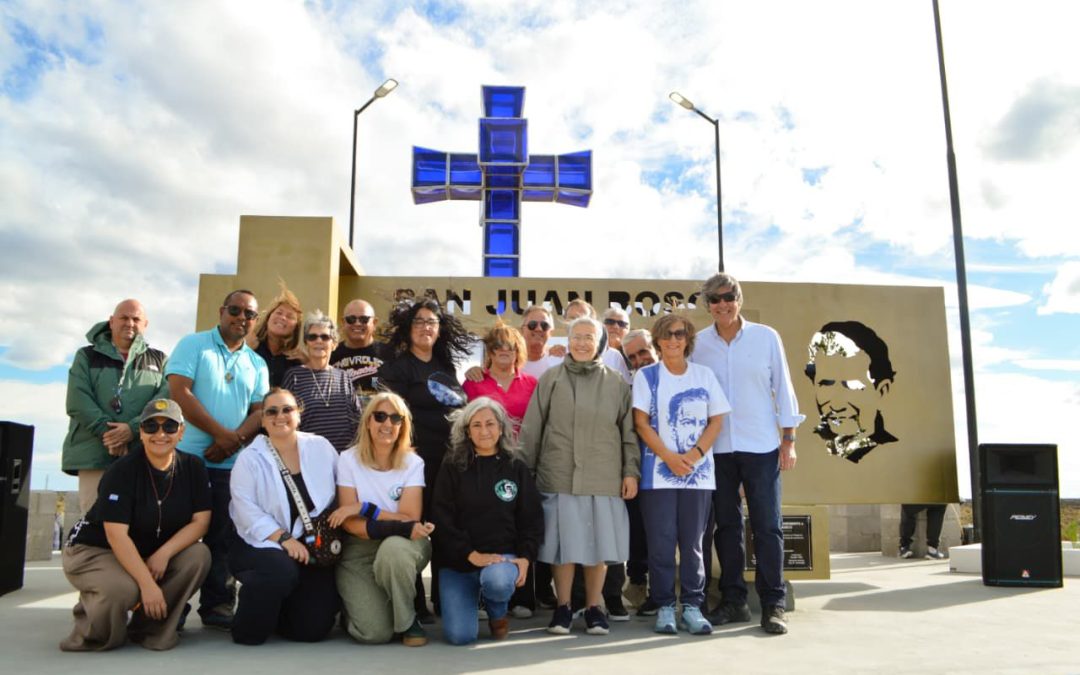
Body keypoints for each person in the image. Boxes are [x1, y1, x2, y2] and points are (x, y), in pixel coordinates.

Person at [690, 273, 804, 635]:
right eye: (715, 299)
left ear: (738, 298)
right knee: (726, 527)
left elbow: (782, 387)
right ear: (707, 305)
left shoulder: (766, 337)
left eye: (729, 297)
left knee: (768, 526)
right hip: (717, 449)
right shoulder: (698, 344)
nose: (723, 305)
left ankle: (773, 603)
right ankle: (734, 600)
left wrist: (789, 437)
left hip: (762, 445)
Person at [520, 316, 640, 636]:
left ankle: (594, 607)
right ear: (569, 341)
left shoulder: (616, 382)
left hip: (603, 476)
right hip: (557, 474)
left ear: (599, 342)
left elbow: (628, 432)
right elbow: (533, 428)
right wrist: (526, 473)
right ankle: (563, 608)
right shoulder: (551, 378)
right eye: (577, 337)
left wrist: (630, 471)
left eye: (590, 337)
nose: (583, 342)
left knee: (598, 547)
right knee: (562, 546)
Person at [61, 398, 211, 651]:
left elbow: (200, 522)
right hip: (95, 550)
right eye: (151, 427)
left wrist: (163, 554)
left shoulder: (193, 467)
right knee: (123, 590)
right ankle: (93, 622)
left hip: (148, 551)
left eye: (170, 427)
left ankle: (150, 628)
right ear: (140, 432)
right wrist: (147, 585)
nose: (160, 434)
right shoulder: (122, 471)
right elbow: (115, 534)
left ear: (181, 432)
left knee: (198, 555)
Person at [166, 289, 270, 630]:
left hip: (230, 465)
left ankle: (218, 606)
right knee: (177, 534)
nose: (242, 318)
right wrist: (220, 435)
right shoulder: (193, 345)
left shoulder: (257, 363)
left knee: (222, 539)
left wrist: (233, 440)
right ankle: (170, 609)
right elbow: (179, 392)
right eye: (236, 310)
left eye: (250, 314)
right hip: (185, 460)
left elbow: (260, 412)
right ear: (222, 310)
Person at [632, 314, 730, 635]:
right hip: (657, 475)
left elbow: (716, 420)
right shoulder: (647, 376)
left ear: (688, 339)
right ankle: (663, 606)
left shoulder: (704, 375)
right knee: (660, 544)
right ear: (658, 340)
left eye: (679, 334)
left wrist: (695, 454)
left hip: (699, 476)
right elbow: (642, 423)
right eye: (667, 334)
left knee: (693, 544)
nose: (673, 340)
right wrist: (669, 458)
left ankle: (691, 605)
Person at [377, 298, 470, 620]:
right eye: (419, 321)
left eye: (431, 322)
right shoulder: (398, 367)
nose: (426, 327)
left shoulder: (445, 367)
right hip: (412, 463)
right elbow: (389, 416)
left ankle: (446, 599)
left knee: (444, 528)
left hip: (448, 464)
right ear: (408, 327)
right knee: (412, 526)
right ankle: (415, 602)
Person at [228, 388, 340, 645]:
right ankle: (248, 622)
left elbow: (342, 487)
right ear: (264, 421)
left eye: (287, 409)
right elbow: (246, 511)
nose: (281, 416)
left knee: (312, 630)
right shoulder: (249, 459)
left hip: (310, 545)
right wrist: (284, 538)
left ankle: (278, 608)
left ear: (298, 415)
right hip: (260, 543)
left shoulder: (320, 447)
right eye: (272, 412)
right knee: (280, 570)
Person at [431, 398, 544, 645]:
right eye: (477, 425)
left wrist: (526, 557)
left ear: (501, 427)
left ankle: (497, 612)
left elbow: (531, 518)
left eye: (490, 424)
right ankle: (469, 601)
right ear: (467, 432)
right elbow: (441, 518)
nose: (484, 431)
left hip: (501, 559)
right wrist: (469, 554)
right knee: (460, 636)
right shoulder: (452, 466)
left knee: (498, 583)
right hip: (458, 563)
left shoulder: (516, 467)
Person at [330, 393, 435, 646]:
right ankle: (354, 614)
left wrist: (366, 508)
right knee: (374, 634)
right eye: (380, 416)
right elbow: (350, 524)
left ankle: (408, 622)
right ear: (368, 422)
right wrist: (387, 520)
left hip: (405, 544)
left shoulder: (413, 463)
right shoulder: (348, 459)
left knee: (392, 551)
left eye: (395, 418)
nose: (387, 424)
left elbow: (410, 520)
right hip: (359, 547)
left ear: (402, 426)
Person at [63, 299, 169, 512]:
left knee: (139, 520)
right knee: (94, 519)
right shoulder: (86, 356)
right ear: (111, 322)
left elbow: (165, 400)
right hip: (94, 455)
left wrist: (133, 429)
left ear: (145, 325)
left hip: (142, 455)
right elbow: (77, 399)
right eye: (124, 317)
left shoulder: (160, 360)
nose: (130, 323)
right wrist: (108, 433)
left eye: (136, 319)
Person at [805, 320, 897, 463]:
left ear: (881, 391)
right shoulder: (810, 447)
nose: (836, 405)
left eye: (853, 387)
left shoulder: (889, 454)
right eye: (826, 384)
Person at [281, 311, 359, 452]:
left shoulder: (344, 377)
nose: (319, 341)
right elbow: (285, 421)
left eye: (325, 337)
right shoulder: (294, 376)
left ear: (334, 344)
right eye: (312, 337)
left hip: (345, 461)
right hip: (309, 459)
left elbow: (357, 418)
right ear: (306, 343)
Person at [619, 328, 658, 613]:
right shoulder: (628, 389)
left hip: (677, 469)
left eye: (643, 351)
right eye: (632, 356)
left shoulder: (688, 377)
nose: (639, 359)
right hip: (638, 468)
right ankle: (638, 582)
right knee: (638, 530)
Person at [462, 320, 538, 434]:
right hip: (484, 450)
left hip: (523, 450)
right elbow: (462, 423)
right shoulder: (473, 382)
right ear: (490, 351)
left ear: (518, 352)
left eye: (510, 346)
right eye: (497, 345)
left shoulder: (532, 384)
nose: (504, 349)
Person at [330, 298, 387, 407]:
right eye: (351, 319)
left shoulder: (390, 354)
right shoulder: (331, 354)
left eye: (364, 319)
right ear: (343, 322)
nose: (357, 323)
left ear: (374, 323)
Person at [249, 284, 304, 387]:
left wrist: (309, 362)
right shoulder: (250, 348)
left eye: (290, 316)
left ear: (296, 327)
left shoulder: (296, 361)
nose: (283, 318)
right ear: (268, 317)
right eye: (279, 313)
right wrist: (244, 349)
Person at [519, 306, 563, 378]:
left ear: (551, 332)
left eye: (544, 325)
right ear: (522, 330)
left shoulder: (560, 361)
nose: (539, 329)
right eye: (532, 324)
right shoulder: (511, 361)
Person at [602, 306, 632, 380]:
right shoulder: (591, 351)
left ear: (628, 331)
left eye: (622, 324)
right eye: (610, 322)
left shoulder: (634, 355)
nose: (615, 326)